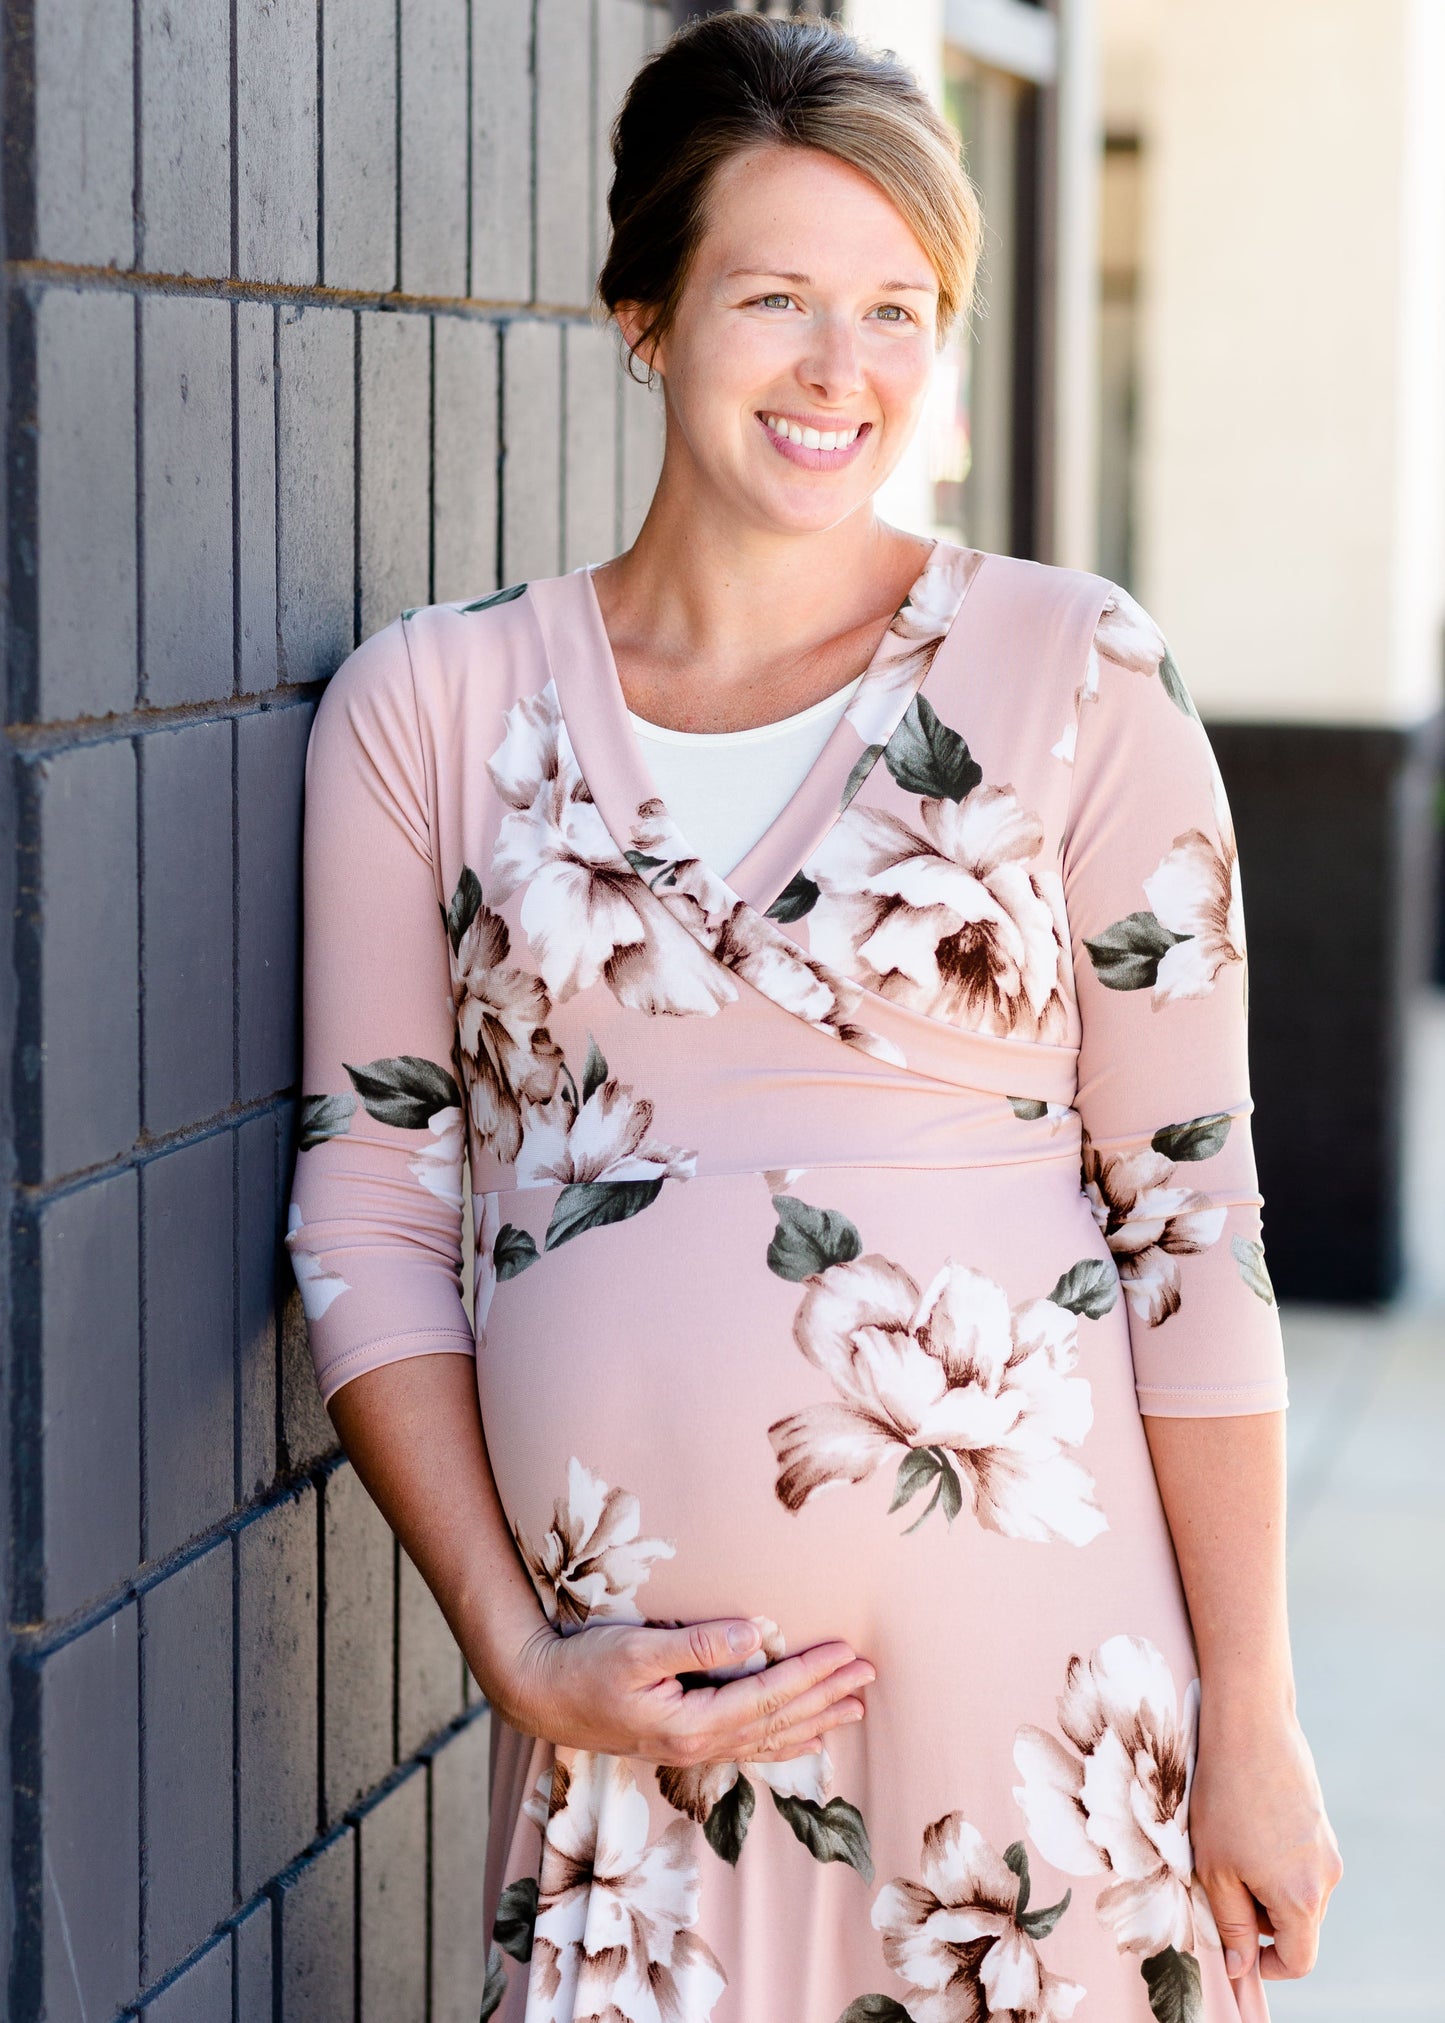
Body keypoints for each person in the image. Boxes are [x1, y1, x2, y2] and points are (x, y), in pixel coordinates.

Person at [285, 15, 1341, 2022]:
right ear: (645, 314)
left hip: (1047, 1754)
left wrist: (1258, 1716)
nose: (842, 369)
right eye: (776, 297)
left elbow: (1197, 1230)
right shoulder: (428, 712)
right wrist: (511, 1651)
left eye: (895, 306)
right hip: (637, 1774)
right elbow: (366, 1221)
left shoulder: (1077, 674)